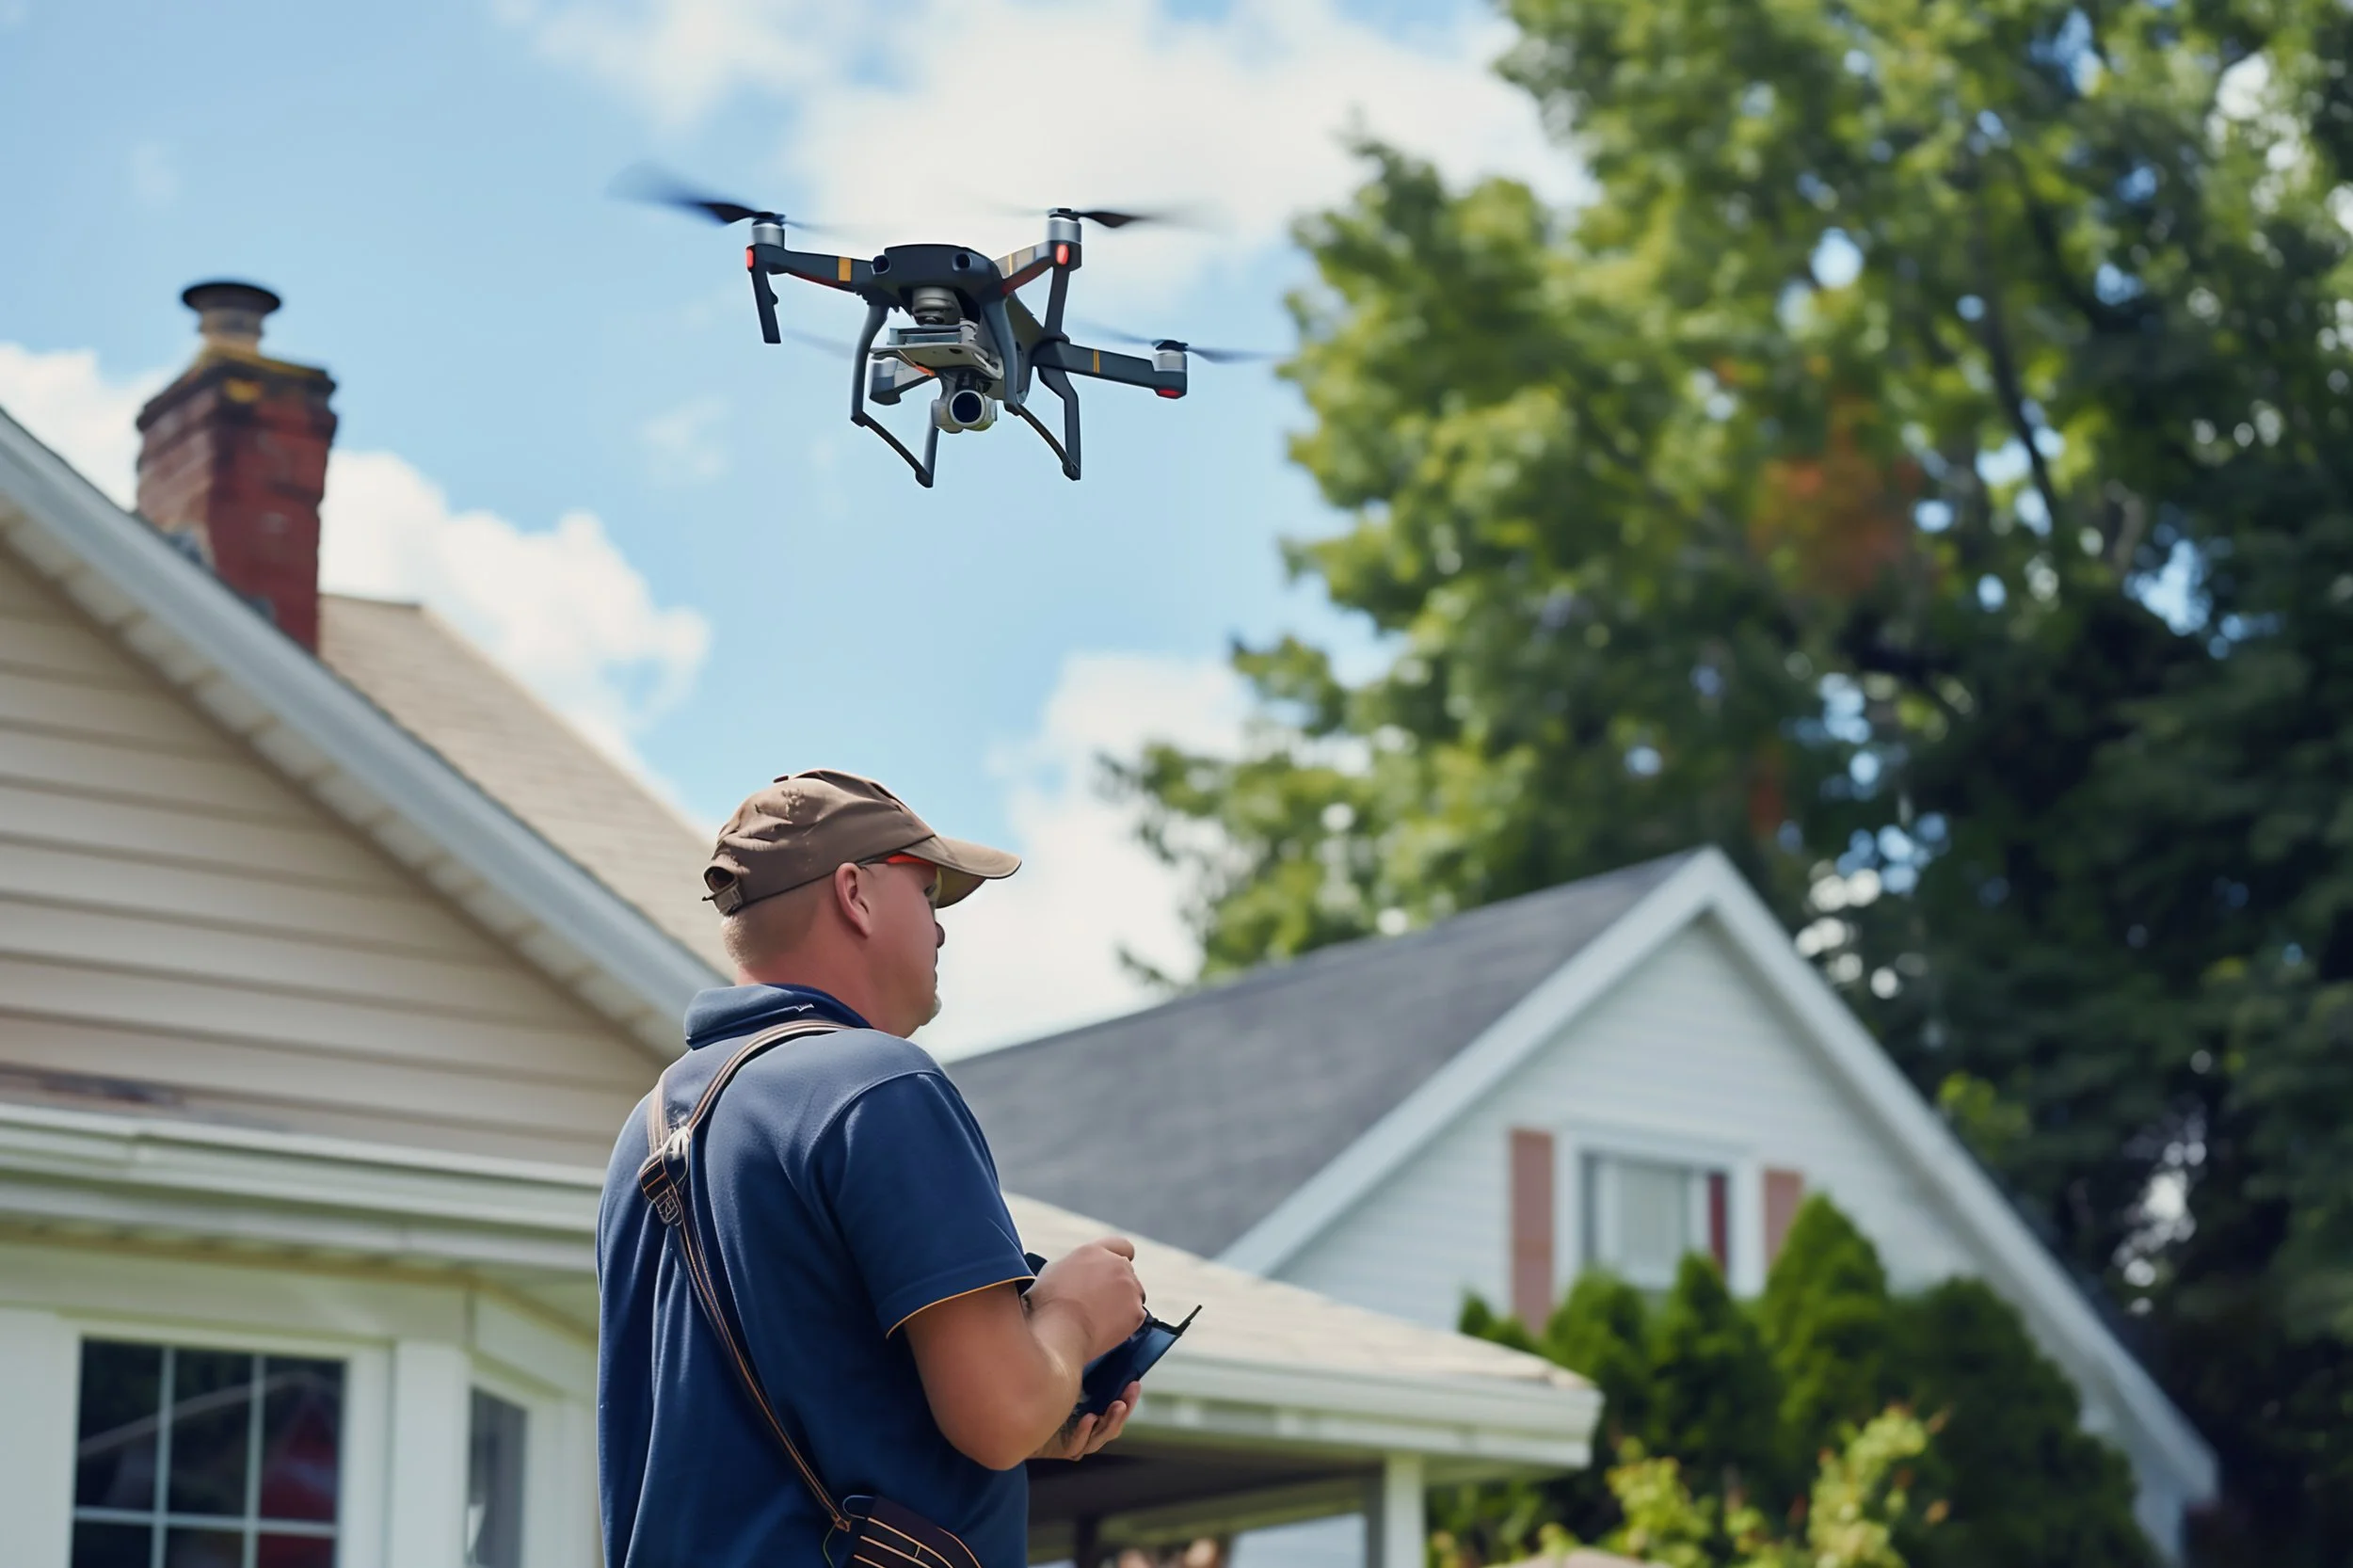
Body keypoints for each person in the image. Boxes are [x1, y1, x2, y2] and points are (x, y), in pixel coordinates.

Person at [597, 768, 1148, 1568]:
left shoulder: (649, 1128)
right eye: (926, 895)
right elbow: (1000, 1413)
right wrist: (1072, 1315)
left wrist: (1044, 1402)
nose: (941, 930)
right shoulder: (880, 1085)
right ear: (854, 894)